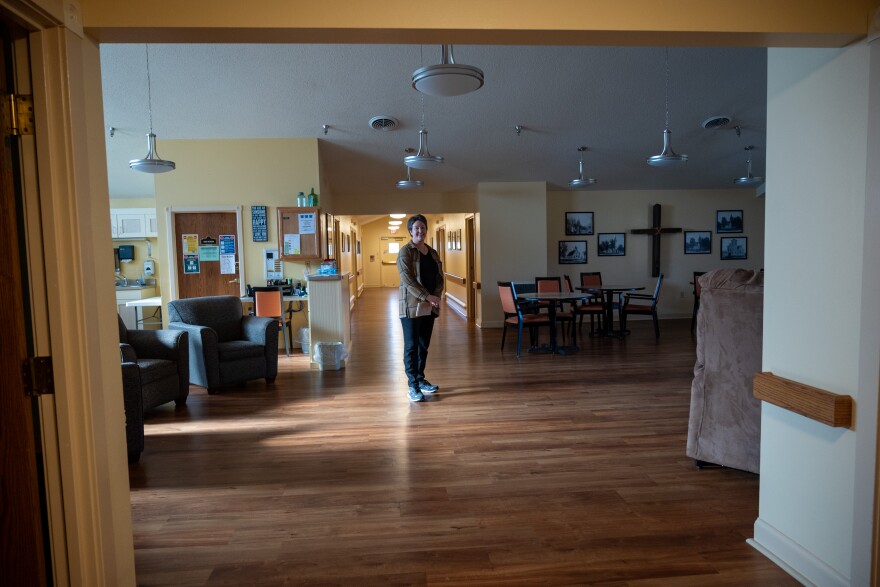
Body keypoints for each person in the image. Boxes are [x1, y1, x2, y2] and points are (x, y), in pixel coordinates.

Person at [397, 214, 444, 402]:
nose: (420, 231)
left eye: (422, 227)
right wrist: (427, 296)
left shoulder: (432, 252)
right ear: (410, 231)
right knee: (411, 346)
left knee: (424, 345)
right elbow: (407, 279)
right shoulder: (405, 252)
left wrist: (437, 295)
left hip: (429, 306)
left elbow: (439, 276)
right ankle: (413, 386)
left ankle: (421, 379)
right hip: (411, 306)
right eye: (416, 228)